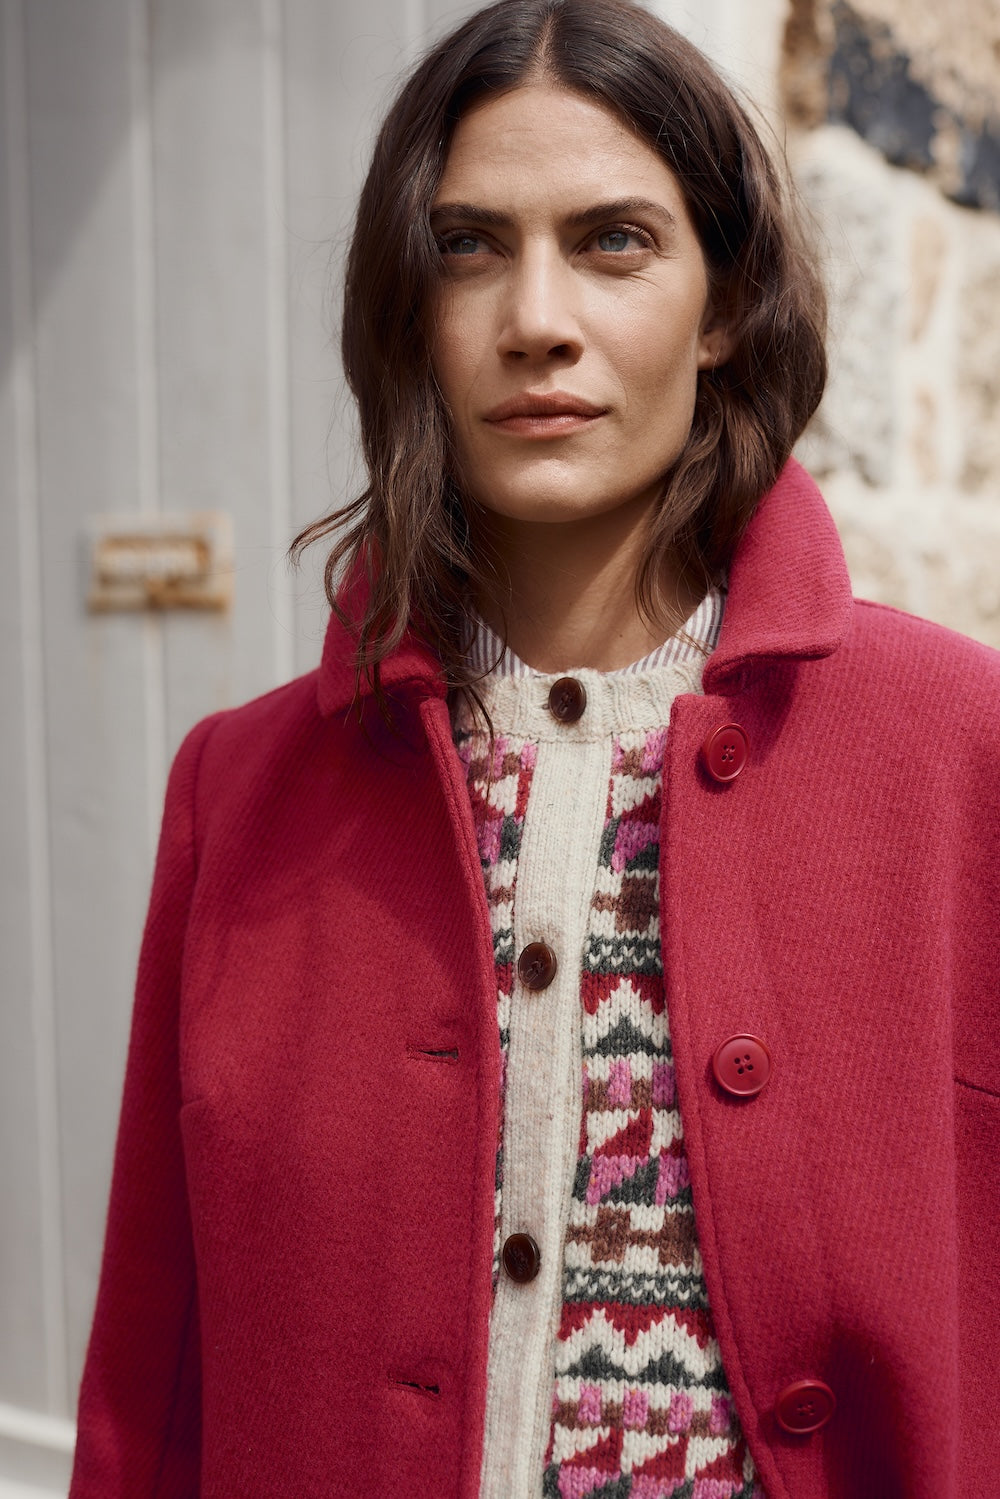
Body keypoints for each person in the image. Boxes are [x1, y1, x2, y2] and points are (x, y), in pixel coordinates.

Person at [68, 1, 999, 1496]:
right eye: (470, 245)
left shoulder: (960, 756)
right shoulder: (237, 799)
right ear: (407, 313)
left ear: (724, 305)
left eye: (616, 240)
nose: (536, 319)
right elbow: (150, 1392)